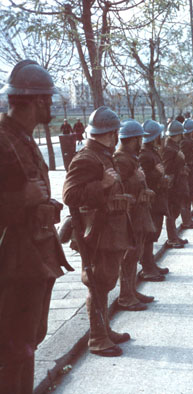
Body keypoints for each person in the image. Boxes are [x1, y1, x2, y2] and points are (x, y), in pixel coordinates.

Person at [0, 60, 74, 394]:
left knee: (27, 342)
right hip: (12, 266)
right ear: (36, 101)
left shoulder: (22, 138)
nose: (52, 105)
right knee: (14, 349)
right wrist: (20, 200)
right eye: (48, 99)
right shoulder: (3, 142)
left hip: (32, 260)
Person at [63, 106, 132, 357]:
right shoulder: (86, 157)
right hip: (96, 233)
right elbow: (69, 195)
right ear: (111, 133)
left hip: (108, 231)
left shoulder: (101, 154)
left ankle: (104, 329)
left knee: (104, 282)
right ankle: (97, 337)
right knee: (96, 282)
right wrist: (101, 184)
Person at [113, 121, 156, 311]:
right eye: (139, 138)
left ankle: (131, 291)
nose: (142, 141)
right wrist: (136, 179)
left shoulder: (129, 157)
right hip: (130, 214)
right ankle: (125, 295)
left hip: (138, 211)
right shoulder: (121, 159)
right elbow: (118, 186)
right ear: (133, 139)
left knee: (135, 252)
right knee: (129, 256)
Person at [139, 120, 170, 279]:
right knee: (149, 235)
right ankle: (147, 267)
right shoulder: (145, 155)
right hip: (152, 200)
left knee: (154, 233)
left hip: (158, 197)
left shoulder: (151, 151)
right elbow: (144, 179)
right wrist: (158, 174)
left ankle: (150, 264)